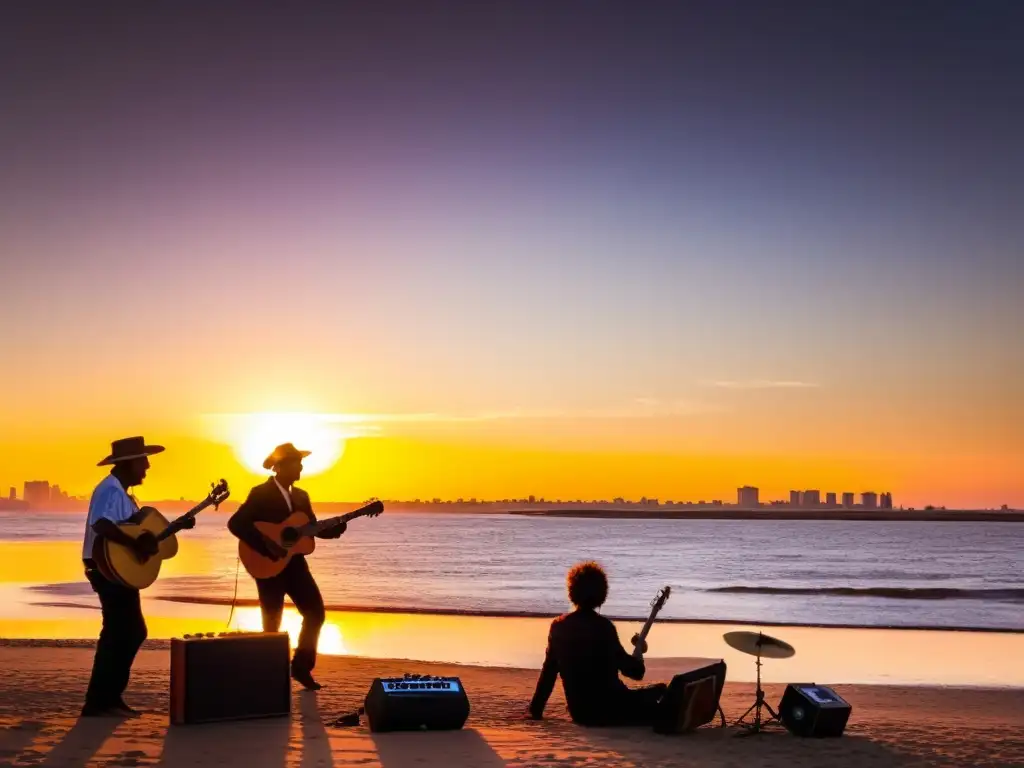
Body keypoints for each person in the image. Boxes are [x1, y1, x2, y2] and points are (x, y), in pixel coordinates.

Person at [82, 436, 193, 717]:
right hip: (106, 568)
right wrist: (134, 545)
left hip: (117, 569)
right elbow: (102, 524)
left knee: (124, 632)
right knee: (124, 632)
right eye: (143, 461)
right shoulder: (110, 490)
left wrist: (173, 528)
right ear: (129, 463)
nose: (146, 467)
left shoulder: (123, 493)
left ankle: (105, 699)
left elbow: (137, 534)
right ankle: (100, 701)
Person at [227, 443, 346, 691]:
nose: (301, 466)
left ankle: (301, 668)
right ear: (280, 466)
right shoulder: (260, 493)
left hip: (295, 565)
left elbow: (309, 528)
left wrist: (335, 529)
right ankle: (270, 675)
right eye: (295, 462)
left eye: (300, 462)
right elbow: (236, 523)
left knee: (315, 613)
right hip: (267, 564)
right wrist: (266, 546)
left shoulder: (301, 496)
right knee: (272, 622)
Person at [526, 561, 668, 726]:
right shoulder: (604, 628)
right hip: (613, 708)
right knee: (661, 690)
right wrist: (640, 653)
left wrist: (535, 710)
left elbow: (548, 674)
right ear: (602, 594)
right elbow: (635, 672)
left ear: (572, 591)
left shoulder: (558, 627)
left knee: (649, 699)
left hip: (581, 713)